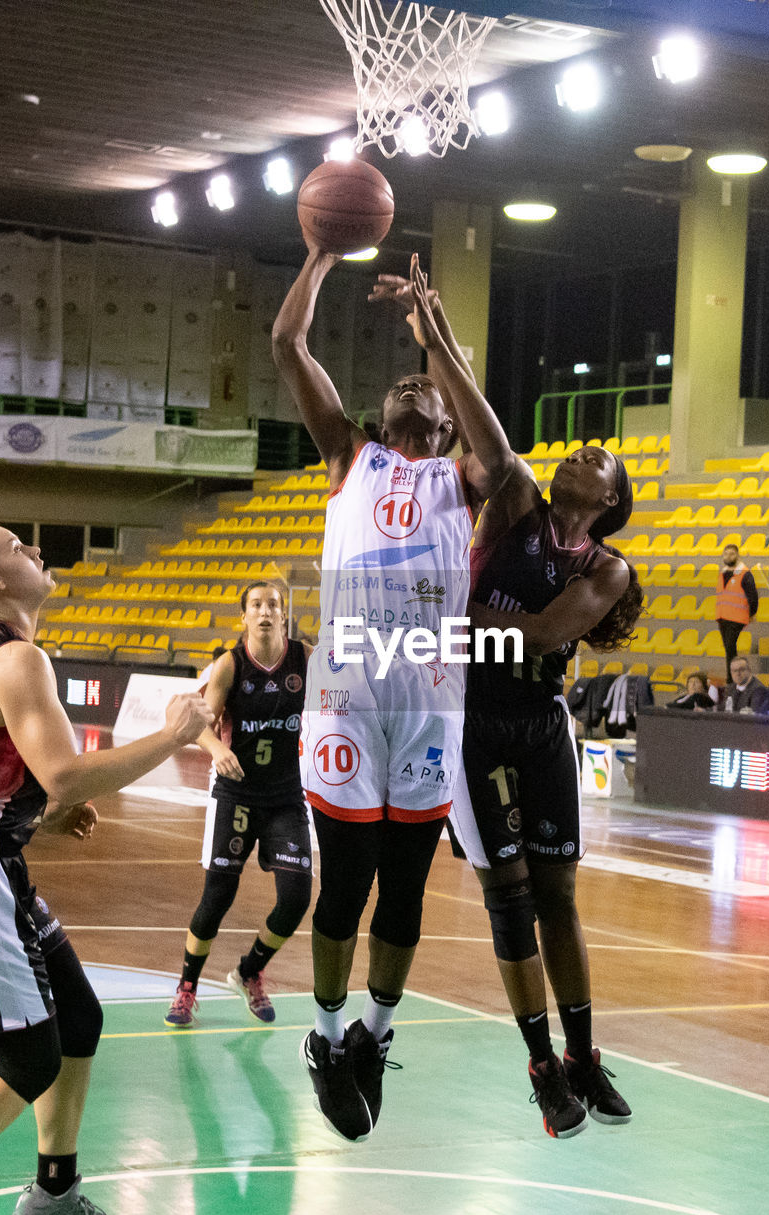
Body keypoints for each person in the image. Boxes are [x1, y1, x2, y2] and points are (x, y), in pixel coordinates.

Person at [272, 249, 514, 1142]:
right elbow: (286, 340)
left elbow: (496, 449)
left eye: (431, 388)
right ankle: (327, 1035)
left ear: (449, 421)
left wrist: (438, 336)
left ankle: (373, 1035)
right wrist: (322, 254)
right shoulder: (349, 455)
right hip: (344, 701)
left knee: (405, 895)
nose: (415, 387)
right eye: (404, 382)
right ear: (378, 417)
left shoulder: (470, 479)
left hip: (426, 710)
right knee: (344, 892)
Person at [0, 523, 212, 1215]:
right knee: (30, 1058)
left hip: (4, 860)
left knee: (77, 1017)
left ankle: (55, 1197)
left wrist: (32, 825)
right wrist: (175, 735)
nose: (35, 551)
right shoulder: (15, 659)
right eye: (16, 548)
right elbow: (68, 775)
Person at [447, 438, 643, 1139]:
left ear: (610, 498)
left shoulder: (606, 569)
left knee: (557, 896)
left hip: (538, 721)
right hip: (472, 718)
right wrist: (438, 342)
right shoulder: (517, 503)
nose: (579, 455)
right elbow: (491, 439)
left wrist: (455, 613)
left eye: (596, 458)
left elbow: (536, 637)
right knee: (510, 899)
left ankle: (582, 1057)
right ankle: (543, 1071)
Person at [164, 582, 313, 1028]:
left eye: (273, 605)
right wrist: (216, 749)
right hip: (237, 794)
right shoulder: (230, 664)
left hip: (285, 796)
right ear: (243, 616)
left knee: (296, 898)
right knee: (217, 897)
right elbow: (200, 724)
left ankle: (249, 971)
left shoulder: (305, 657)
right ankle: (187, 988)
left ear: (283, 614)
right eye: (256, 605)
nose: (265, 611)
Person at [715, 544, 759, 682]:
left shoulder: (745, 573)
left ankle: (732, 679)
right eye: (726, 554)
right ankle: (734, 677)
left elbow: (753, 596)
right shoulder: (723, 573)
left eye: (732, 554)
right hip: (723, 617)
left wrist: (751, 614)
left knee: (730, 648)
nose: (728, 557)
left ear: (737, 555)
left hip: (737, 617)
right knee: (729, 650)